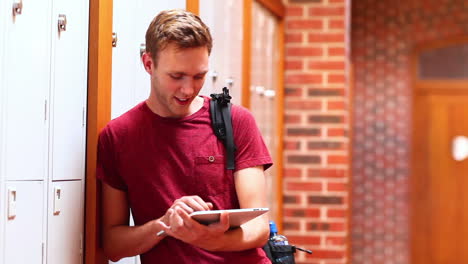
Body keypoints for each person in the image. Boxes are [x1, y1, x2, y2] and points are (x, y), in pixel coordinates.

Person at [97, 9, 273, 264]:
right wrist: (165, 224)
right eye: (176, 76)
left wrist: (214, 241)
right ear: (148, 64)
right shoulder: (117, 136)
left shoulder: (236, 121)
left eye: (198, 76)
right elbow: (114, 246)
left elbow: (259, 227)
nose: (188, 89)